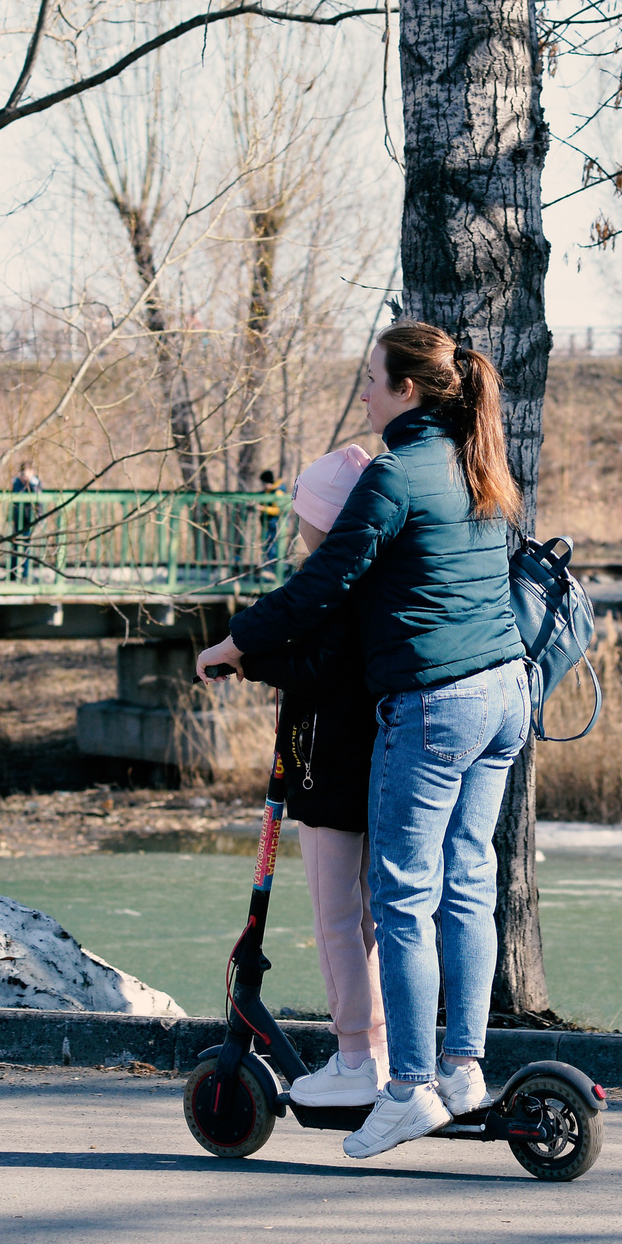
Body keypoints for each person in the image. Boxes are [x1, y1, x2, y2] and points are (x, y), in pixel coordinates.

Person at [196, 321, 529, 1159]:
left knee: (403, 897)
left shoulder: (395, 473)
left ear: (407, 391)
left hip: (437, 705)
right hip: (505, 694)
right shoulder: (474, 461)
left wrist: (237, 641)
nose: (367, 395)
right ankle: (462, 1069)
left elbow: (322, 583)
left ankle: (409, 1086)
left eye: (375, 381)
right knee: (466, 886)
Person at [234, 444, 383, 1104]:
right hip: (376, 768)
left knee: (336, 919)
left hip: (329, 773)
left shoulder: (332, 584)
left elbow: (311, 667)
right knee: (375, 921)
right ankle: (379, 1050)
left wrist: (244, 659)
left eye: (302, 514)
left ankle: (355, 1057)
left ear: (320, 520)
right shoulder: (378, 574)